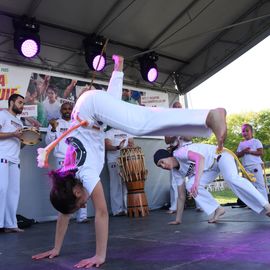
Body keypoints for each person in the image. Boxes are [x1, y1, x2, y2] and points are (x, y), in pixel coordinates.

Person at [33, 55, 227, 268]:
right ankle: (119, 68)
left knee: (139, 125)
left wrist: (100, 256)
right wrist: (56, 249)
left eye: (81, 203)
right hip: (92, 110)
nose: (84, 204)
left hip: (91, 109)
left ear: (78, 193)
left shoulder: (84, 174)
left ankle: (209, 116)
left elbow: (102, 212)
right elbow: (64, 213)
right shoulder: (68, 176)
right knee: (122, 114)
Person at [153, 143, 270, 224]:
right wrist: (178, 219)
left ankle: (266, 205)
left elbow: (200, 159)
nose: (163, 166)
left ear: (168, 156)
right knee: (190, 186)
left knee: (232, 179)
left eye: (162, 162)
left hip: (220, 156)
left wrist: (197, 182)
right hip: (210, 169)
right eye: (160, 166)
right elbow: (181, 196)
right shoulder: (176, 172)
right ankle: (217, 209)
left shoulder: (180, 153)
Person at [45, 102, 89, 223]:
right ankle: (65, 215)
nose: (67, 111)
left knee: (82, 186)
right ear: (61, 111)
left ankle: (83, 216)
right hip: (62, 160)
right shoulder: (55, 123)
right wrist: (53, 128)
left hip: (78, 159)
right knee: (65, 189)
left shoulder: (77, 123)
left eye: (70, 109)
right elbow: (48, 141)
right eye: (64, 109)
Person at [0, 94, 25, 233]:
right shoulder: (2, 115)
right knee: (1, 190)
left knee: (13, 193)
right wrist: (13, 134)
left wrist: (28, 141)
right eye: (20, 102)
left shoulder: (19, 122)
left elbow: (18, 144)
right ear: (11, 102)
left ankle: (11, 224)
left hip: (15, 160)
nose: (22, 105)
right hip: (2, 157)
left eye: (23, 103)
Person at [164, 101, 193, 214]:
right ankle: (174, 206)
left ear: (182, 108)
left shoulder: (187, 121)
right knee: (174, 180)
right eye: (174, 107)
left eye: (179, 107)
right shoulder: (168, 123)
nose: (177, 108)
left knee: (193, 176)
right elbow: (167, 140)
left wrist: (180, 132)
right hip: (175, 152)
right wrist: (175, 135)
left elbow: (190, 137)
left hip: (187, 149)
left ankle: (200, 205)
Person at [105, 127, 134, 216]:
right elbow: (107, 146)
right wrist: (118, 147)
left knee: (127, 184)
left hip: (126, 160)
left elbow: (131, 143)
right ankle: (117, 210)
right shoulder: (109, 132)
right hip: (113, 161)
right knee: (115, 184)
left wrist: (129, 145)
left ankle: (127, 209)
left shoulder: (127, 130)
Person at [236, 123, 268, 200]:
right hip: (245, 168)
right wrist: (243, 151)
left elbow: (260, 152)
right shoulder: (241, 144)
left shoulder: (256, 141)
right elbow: (237, 155)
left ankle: (265, 204)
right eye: (243, 131)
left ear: (252, 132)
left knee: (260, 185)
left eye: (247, 131)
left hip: (255, 166)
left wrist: (250, 152)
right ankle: (254, 203)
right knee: (249, 186)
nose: (245, 133)